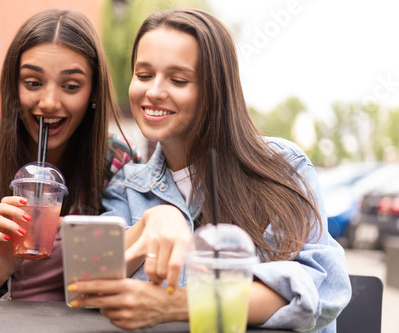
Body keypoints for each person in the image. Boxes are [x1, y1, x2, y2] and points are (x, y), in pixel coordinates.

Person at [66, 7, 352, 332]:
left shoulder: (282, 167)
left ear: (215, 90)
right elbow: (84, 285)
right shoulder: (127, 187)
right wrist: (150, 223)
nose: (154, 91)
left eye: (178, 79)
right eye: (143, 75)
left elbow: (322, 289)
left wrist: (177, 304)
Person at [0, 8, 140, 302]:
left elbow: (138, 283)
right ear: (14, 85)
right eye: (33, 83)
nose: (49, 102)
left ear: (94, 92)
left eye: (71, 86)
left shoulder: (119, 165)